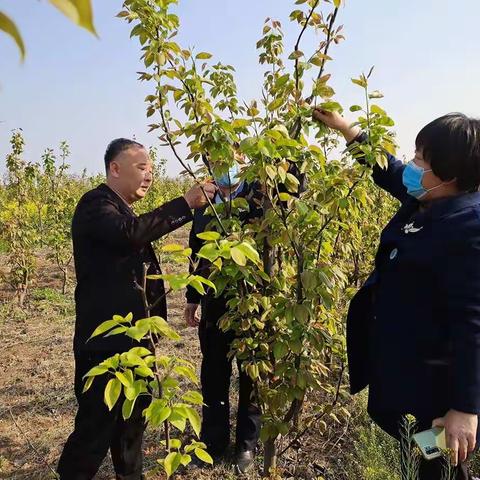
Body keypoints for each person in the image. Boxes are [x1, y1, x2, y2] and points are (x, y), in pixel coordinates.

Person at [313, 109, 480, 479]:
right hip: (409, 367)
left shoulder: (469, 228)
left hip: (438, 381)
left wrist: (466, 408)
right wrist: (347, 130)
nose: (412, 164)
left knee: (435, 457)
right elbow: (387, 168)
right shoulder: (428, 199)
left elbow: (473, 322)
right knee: (425, 450)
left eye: (421, 158)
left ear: (450, 173)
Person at [57, 138, 216, 480]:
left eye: (152, 169)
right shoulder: (95, 204)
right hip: (105, 345)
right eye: (141, 168)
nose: (149, 176)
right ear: (115, 168)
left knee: (132, 426)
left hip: (135, 341)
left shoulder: (121, 209)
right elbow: (130, 235)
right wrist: (186, 203)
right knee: (95, 428)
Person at [184, 162, 262, 474]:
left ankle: (246, 444)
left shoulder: (260, 195)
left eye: (228, 158)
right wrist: (192, 298)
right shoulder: (204, 203)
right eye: (214, 162)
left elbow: (295, 189)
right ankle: (213, 441)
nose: (222, 167)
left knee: (251, 375)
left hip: (254, 305)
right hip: (215, 304)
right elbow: (195, 252)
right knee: (214, 373)